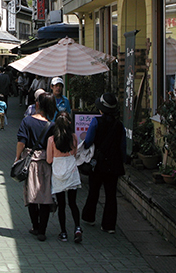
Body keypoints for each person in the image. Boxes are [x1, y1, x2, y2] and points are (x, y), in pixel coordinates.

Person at [81, 93, 126, 234]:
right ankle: (109, 225)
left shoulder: (95, 122)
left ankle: (89, 217)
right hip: (114, 164)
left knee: (94, 190)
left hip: (98, 163)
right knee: (111, 195)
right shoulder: (120, 126)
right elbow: (123, 147)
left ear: (101, 109)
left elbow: (88, 141)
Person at [15, 92, 56, 241]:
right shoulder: (52, 125)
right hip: (47, 162)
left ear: (37, 105)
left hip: (30, 161)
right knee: (45, 196)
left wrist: (18, 157)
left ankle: (35, 225)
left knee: (31, 195)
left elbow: (21, 141)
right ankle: (42, 231)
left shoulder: (27, 121)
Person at [46, 111, 82, 243]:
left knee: (62, 205)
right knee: (73, 203)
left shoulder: (52, 140)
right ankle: (77, 228)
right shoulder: (73, 137)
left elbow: (49, 160)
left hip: (58, 171)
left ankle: (63, 233)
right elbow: (75, 153)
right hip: (71, 170)